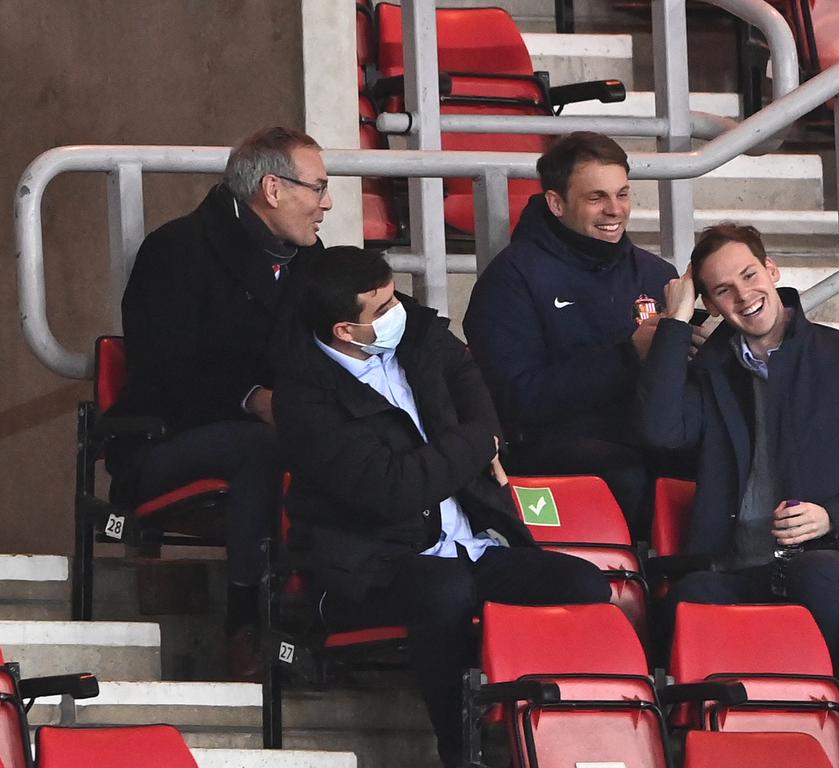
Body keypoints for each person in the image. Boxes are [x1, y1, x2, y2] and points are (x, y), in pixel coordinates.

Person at [273, 246, 611, 768]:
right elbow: (396, 489)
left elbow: (468, 378)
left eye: (394, 295)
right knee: (446, 587)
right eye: (382, 308)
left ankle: (571, 746)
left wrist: (485, 434)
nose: (398, 311)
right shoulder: (305, 399)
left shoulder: (413, 331)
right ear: (345, 329)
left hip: (469, 543)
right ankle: (462, 752)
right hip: (372, 568)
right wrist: (479, 443)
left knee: (585, 585)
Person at [638, 223, 839, 670]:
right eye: (723, 290)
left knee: (812, 574)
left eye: (749, 275)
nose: (742, 295)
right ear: (711, 304)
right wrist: (676, 321)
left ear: (772, 270)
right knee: (689, 595)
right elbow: (660, 431)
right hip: (744, 566)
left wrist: (832, 518)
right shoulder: (712, 371)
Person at [106, 126, 333, 679]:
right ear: (273, 190)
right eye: (319, 188)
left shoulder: (310, 260)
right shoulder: (175, 251)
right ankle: (244, 626)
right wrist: (253, 399)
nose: (327, 203)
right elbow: (164, 372)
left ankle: (333, 616)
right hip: (165, 439)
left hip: (284, 429)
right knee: (262, 445)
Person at [464, 131, 685, 539]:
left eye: (623, 194)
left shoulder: (656, 274)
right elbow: (517, 400)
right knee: (627, 470)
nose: (615, 210)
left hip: (649, 434)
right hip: (550, 446)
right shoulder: (511, 279)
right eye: (596, 197)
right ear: (556, 203)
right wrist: (629, 355)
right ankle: (637, 587)